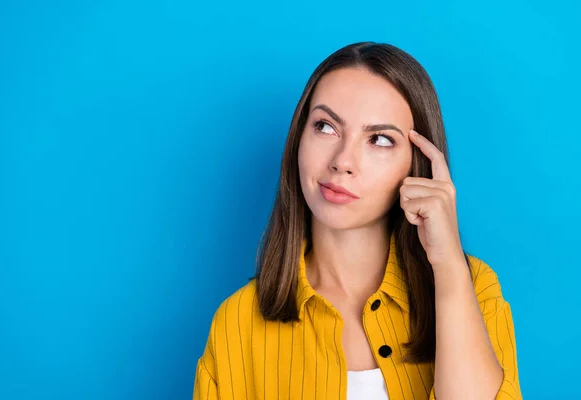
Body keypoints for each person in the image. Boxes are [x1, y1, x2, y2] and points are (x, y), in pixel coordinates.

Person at [192, 42, 522, 400]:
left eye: (379, 139)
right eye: (326, 127)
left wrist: (447, 265)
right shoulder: (236, 322)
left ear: (418, 165)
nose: (343, 161)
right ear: (298, 139)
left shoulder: (473, 290)